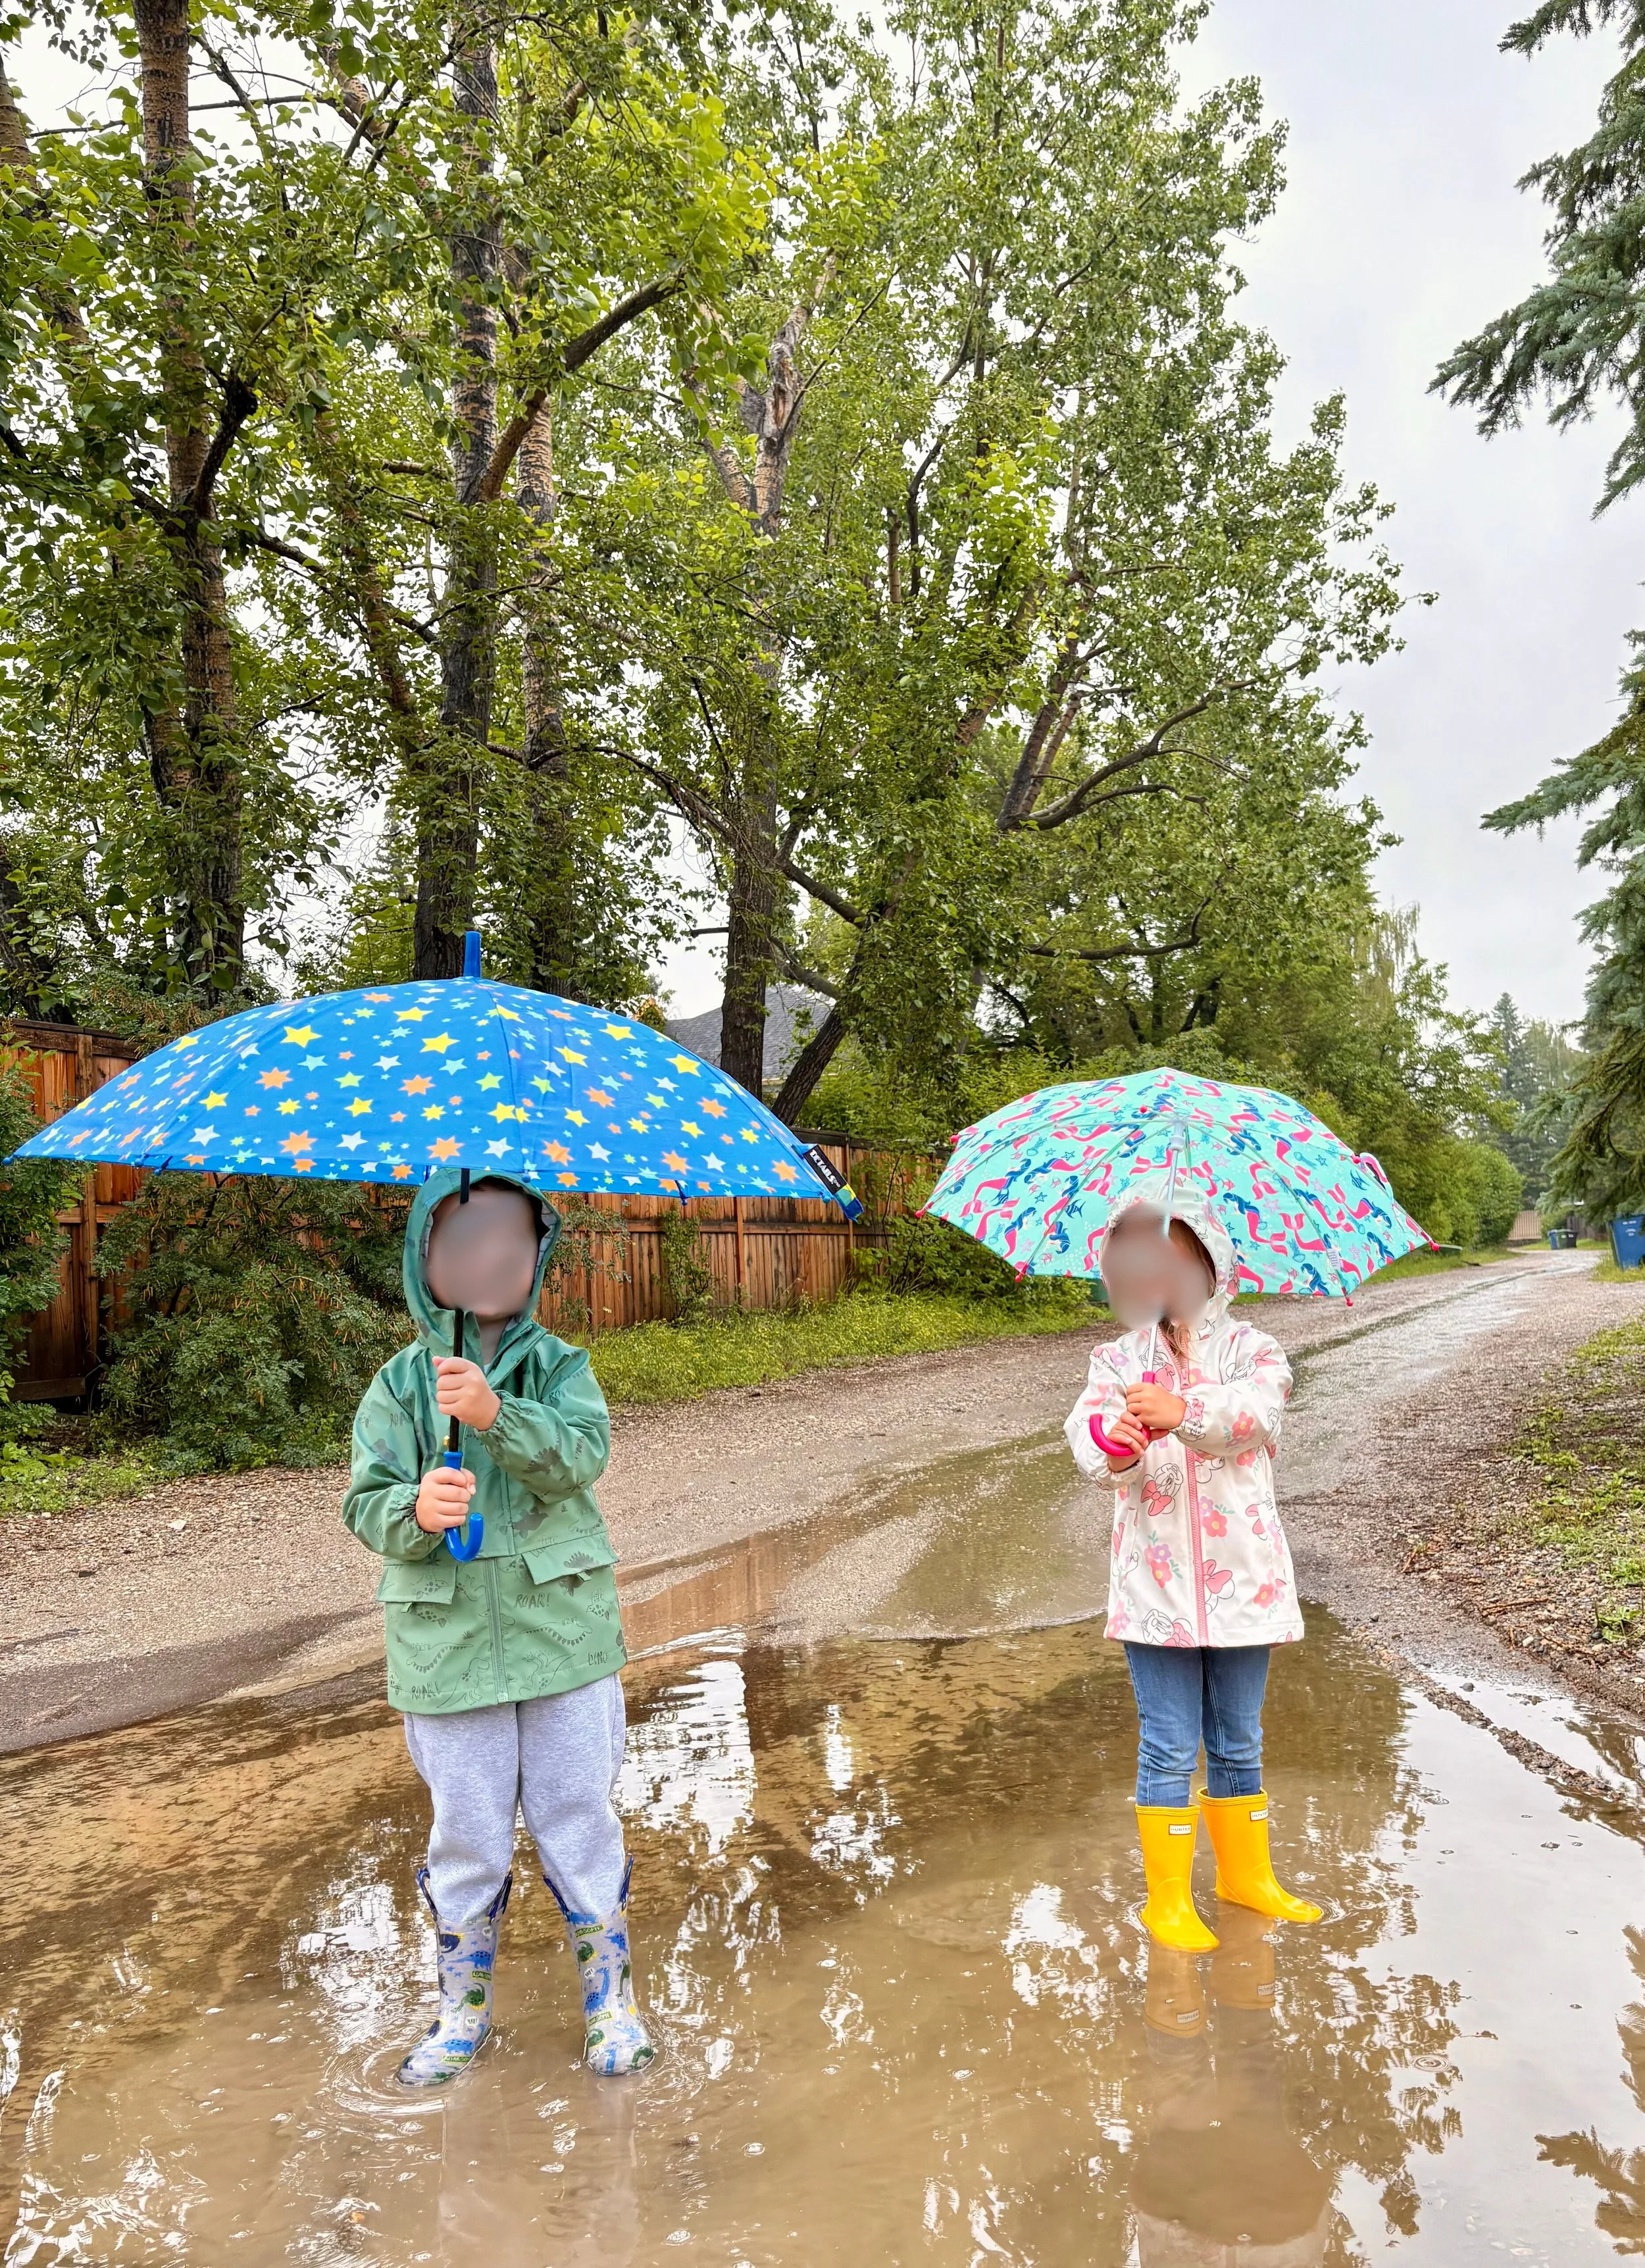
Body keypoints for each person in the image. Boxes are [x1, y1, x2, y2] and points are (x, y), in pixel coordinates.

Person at [343, 1166, 655, 2084]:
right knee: (468, 1828)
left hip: (563, 1638)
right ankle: (461, 2009)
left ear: (538, 1255)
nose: (490, 1257)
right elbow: (365, 1502)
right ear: (424, 1257)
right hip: (447, 1654)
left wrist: (496, 1411)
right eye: (465, 1239)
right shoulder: (398, 1385)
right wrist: (416, 1507)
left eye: (512, 1241)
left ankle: (612, 2000)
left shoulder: (560, 1366)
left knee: (577, 1813)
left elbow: (581, 1455)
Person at [1065, 1184, 1322, 1950]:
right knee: (1169, 1743)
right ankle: (1167, 1900)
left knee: (1238, 1737)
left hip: (1244, 1581)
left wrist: (1187, 1412)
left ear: (1214, 1271)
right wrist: (1116, 1444)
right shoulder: (1116, 1359)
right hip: (1155, 1588)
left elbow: (1259, 1417)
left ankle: (1245, 1877)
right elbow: (1087, 1441)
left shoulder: (1251, 1350)